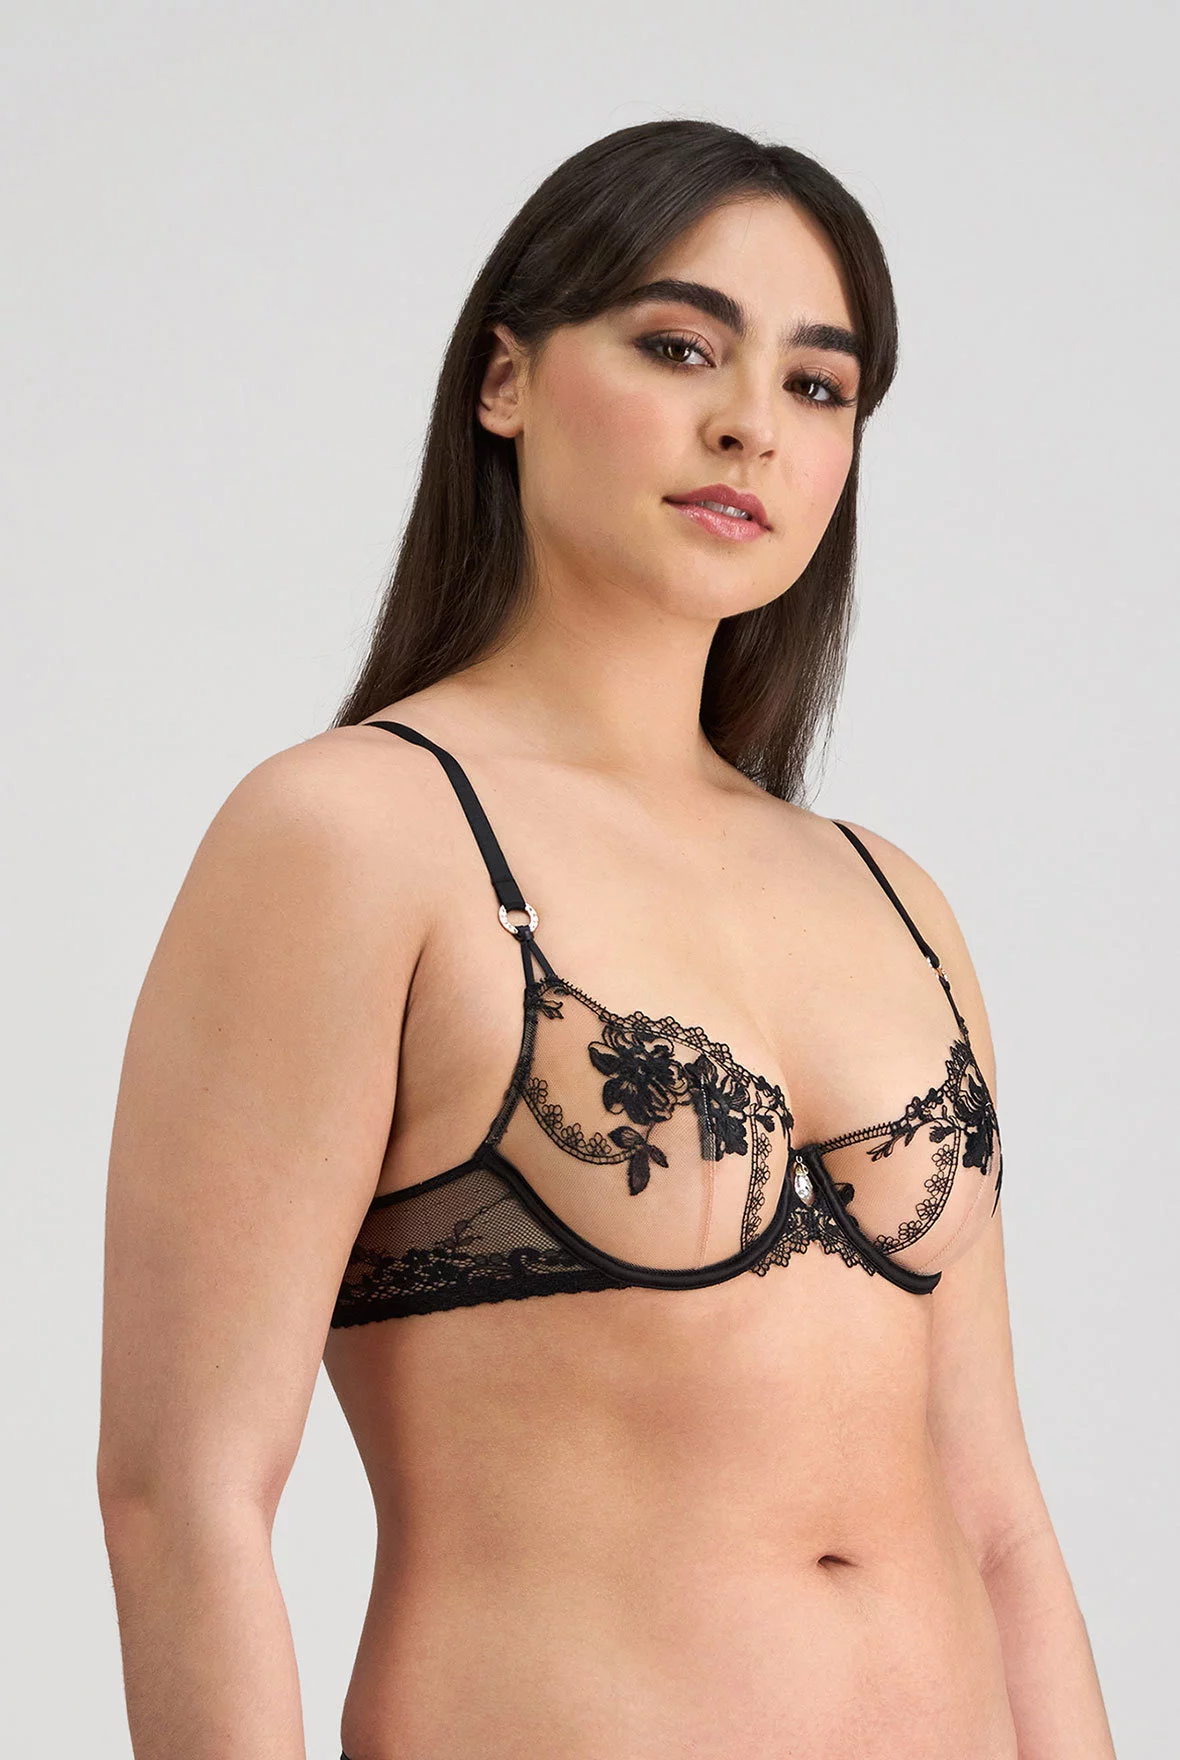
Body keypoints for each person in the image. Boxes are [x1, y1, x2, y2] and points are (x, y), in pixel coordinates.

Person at [97, 119, 1116, 1759]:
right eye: (679, 347)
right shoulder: (355, 833)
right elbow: (184, 1492)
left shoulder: (893, 896)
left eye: (817, 385)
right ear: (503, 380)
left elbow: (998, 1521)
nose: (750, 423)